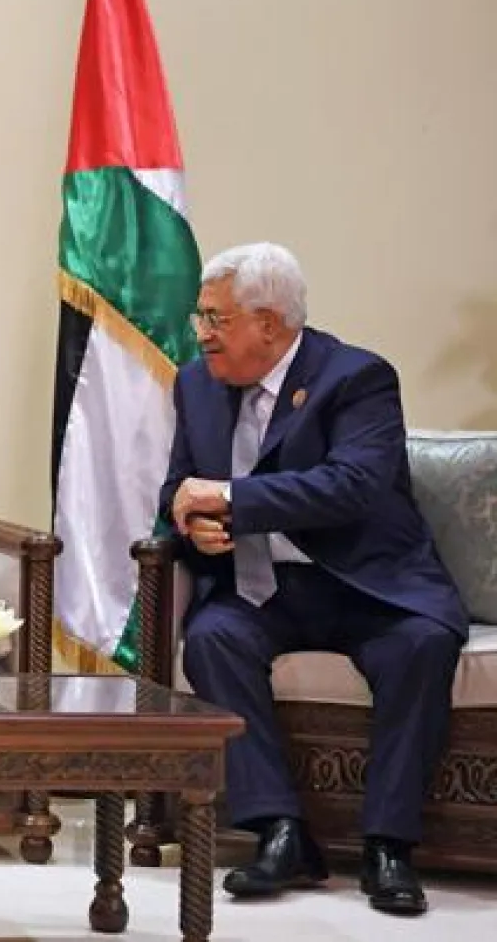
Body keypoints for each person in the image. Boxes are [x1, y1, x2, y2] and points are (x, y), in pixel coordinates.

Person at [163, 242, 467, 916]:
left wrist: (232, 500)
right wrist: (193, 525)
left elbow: (350, 485)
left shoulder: (356, 378)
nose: (202, 334)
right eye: (201, 319)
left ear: (268, 324)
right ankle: (279, 830)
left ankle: (389, 845)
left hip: (370, 586)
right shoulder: (195, 383)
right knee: (212, 637)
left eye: (215, 319)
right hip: (264, 588)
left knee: (421, 645)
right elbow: (179, 490)